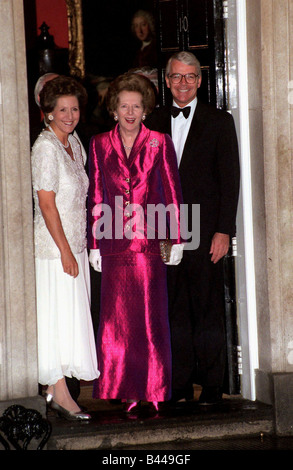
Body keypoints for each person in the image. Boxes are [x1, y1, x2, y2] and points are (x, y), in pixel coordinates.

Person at [145, 51, 240, 404]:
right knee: (174, 308)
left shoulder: (219, 121)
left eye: (190, 77)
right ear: (166, 81)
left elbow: (230, 181)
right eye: (176, 77)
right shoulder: (151, 121)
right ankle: (180, 383)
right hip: (164, 230)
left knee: (208, 308)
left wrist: (224, 231)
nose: (183, 83)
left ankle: (213, 385)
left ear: (200, 81)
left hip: (205, 230)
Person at [87, 72, 184, 412]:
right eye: (124, 106)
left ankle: (155, 387)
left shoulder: (159, 141)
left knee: (149, 317)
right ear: (113, 110)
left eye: (137, 106)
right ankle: (125, 387)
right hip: (113, 244)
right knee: (117, 322)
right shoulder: (99, 143)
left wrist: (178, 238)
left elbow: (172, 192)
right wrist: (94, 244)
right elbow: (96, 194)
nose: (130, 112)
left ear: (145, 111)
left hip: (148, 243)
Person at [31, 75, 100, 420]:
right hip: (54, 249)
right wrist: (65, 251)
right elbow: (46, 204)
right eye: (62, 109)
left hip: (75, 243)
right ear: (48, 112)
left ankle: (55, 391)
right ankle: (59, 392)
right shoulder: (45, 147)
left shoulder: (73, 143)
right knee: (56, 318)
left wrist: (77, 248)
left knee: (68, 317)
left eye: (74, 108)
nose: (70, 115)